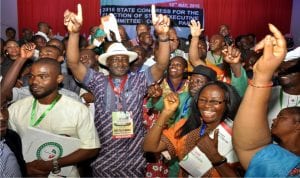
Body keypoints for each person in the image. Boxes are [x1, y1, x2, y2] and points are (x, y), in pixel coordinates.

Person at [64, 4, 170, 177]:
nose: (120, 63)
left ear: (128, 63)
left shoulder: (139, 80)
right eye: (115, 60)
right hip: (103, 160)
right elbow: (74, 63)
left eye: (123, 60)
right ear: (107, 63)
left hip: (134, 160)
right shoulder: (97, 81)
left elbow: (162, 64)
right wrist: (74, 34)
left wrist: (163, 36)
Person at [7, 56, 100, 177]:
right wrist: (23, 167)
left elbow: (92, 148)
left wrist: (53, 164)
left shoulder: (77, 109)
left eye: (43, 76)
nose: (34, 81)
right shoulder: (16, 109)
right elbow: (10, 147)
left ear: (59, 79)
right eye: (32, 76)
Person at [233, 24, 300, 177]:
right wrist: (262, 76)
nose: (283, 71)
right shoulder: (270, 93)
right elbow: (252, 149)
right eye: (281, 68)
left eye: (291, 70)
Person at [143, 81, 242, 177]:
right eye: (202, 100)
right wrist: (165, 113)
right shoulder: (187, 125)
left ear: (228, 104)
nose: (207, 105)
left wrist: (214, 157)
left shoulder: (237, 134)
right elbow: (150, 147)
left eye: (215, 101)